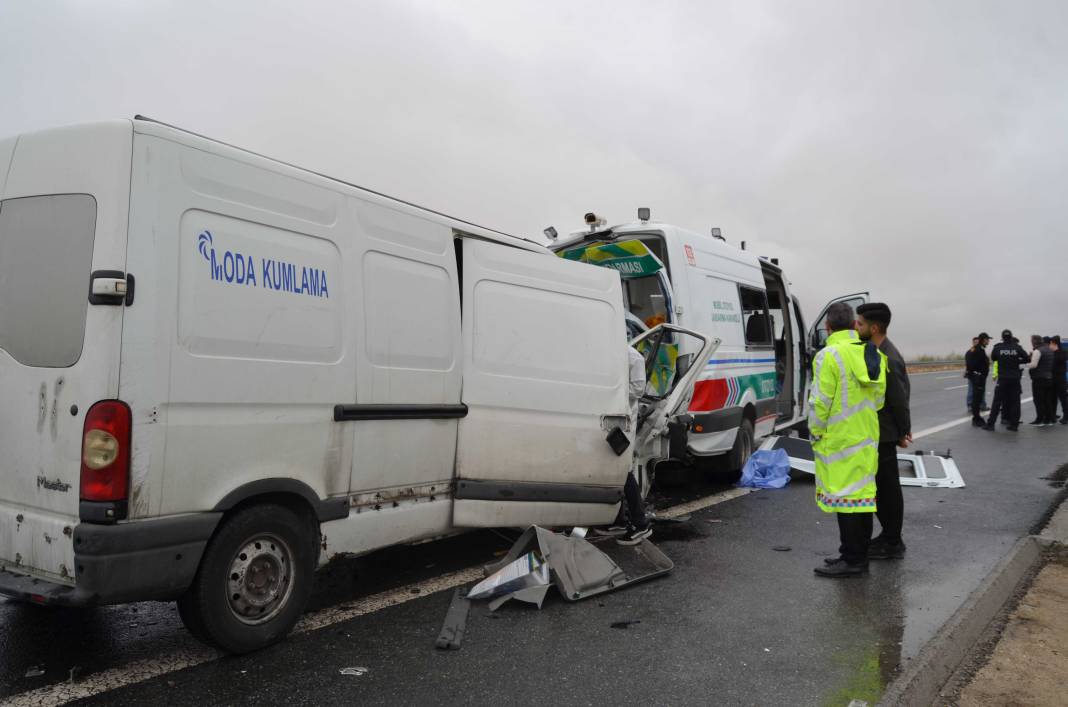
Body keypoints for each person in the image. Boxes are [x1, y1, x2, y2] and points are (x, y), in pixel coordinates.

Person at [809, 302, 886, 578]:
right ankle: (854, 554)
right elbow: (878, 400)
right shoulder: (873, 353)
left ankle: (853, 560)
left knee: (845, 500)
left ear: (827, 327)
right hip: (866, 437)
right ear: (855, 325)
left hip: (839, 439)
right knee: (862, 499)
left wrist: (815, 431)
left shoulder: (828, 356)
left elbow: (820, 401)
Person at [855, 303, 911, 560]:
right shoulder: (875, 351)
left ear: (874, 327)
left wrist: (903, 431)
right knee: (880, 489)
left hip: (886, 433)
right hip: (879, 432)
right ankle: (888, 535)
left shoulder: (889, 357)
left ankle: (893, 542)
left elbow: (899, 398)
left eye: (860, 324)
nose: (857, 327)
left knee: (887, 490)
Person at [984, 330, 1029, 431]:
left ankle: (990, 424)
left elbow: (993, 358)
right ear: (1012, 337)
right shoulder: (1017, 347)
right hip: (1015, 379)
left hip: (1003, 379)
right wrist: (1016, 360)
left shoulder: (998, 348)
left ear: (1002, 337)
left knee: (997, 401)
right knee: (1015, 402)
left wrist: (1003, 359)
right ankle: (1014, 425)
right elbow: (1027, 358)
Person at [1026, 335, 1055, 426]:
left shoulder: (1038, 351)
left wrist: (1024, 365)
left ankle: (1040, 419)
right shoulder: (1050, 350)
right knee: (1047, 400)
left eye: (1031, 341)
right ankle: (1049, 419)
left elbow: (1034, 365)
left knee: (1038, 400)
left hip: (1039, 378)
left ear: (1034, 341)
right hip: (1049, 377)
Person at [965, 333, 991, 427]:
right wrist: (975, 373)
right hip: (978, 377)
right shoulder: (978, 349)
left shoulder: (979, 349)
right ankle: (976, 419)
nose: (989, 341)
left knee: (978, 398)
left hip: (978, 376)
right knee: (976, 398)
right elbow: (971, 362)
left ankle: (977, 417)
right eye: (988, 339)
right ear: (984, 340)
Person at [1052, 336, 1068, 425]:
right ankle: (1053, 415)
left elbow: (1061, 359)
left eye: (1051, 343)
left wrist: (1056, 350)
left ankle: (1066, 416)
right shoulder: (1053, 352)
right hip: (1053, 378)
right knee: (1053, 398)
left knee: (1063, 398)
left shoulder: (1062, 351)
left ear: (1055, 343)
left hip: (1060, 378)